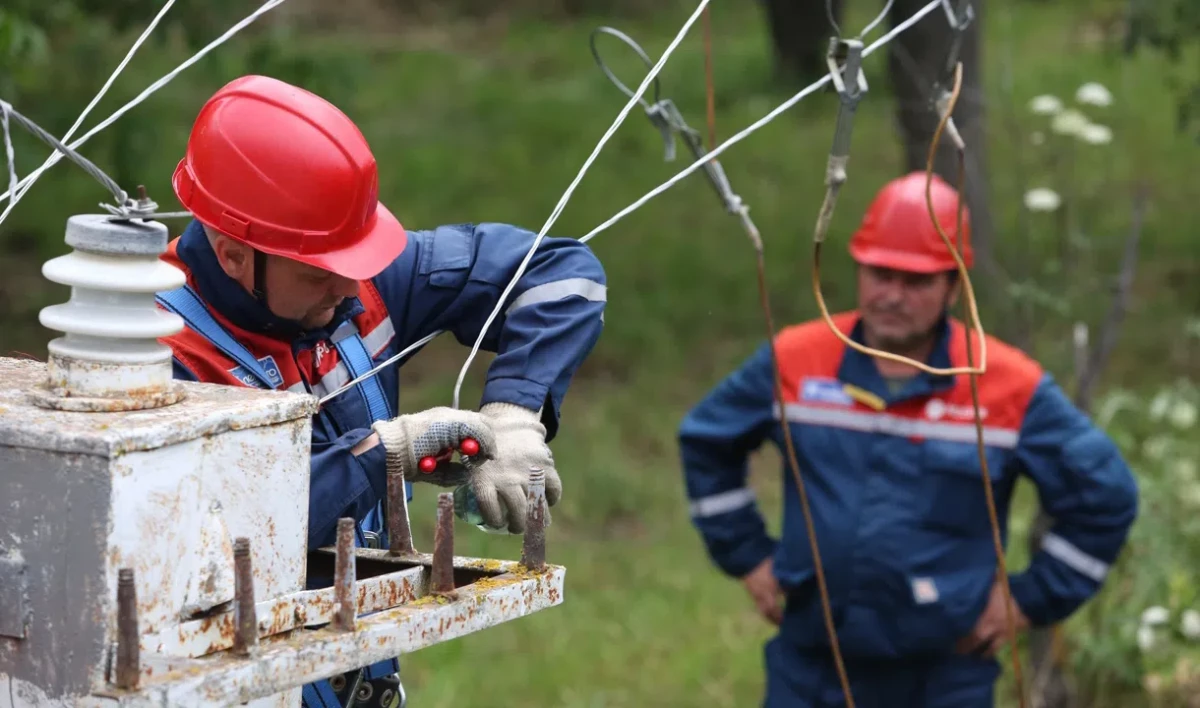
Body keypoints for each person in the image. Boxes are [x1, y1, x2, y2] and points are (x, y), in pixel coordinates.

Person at [155, 75, 607, 708]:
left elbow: (563, 276)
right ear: (233, 255)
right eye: (323, 274)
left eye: (356, 265)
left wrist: (514, 414)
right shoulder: (157, 358)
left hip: (358, 675)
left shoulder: (354, 280)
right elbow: (205, 542)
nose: (349, 292)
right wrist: (382, 455)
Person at [677, 171, 1138, 707]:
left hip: (944, 678)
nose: (892, 295)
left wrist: (1028, 599)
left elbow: (1107, 498)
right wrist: (747, 556)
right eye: (879, 274)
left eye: (915, 281)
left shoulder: (1006, 384)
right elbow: (707, 441)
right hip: (810, 669)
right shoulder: (798, 359)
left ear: (954, 285)